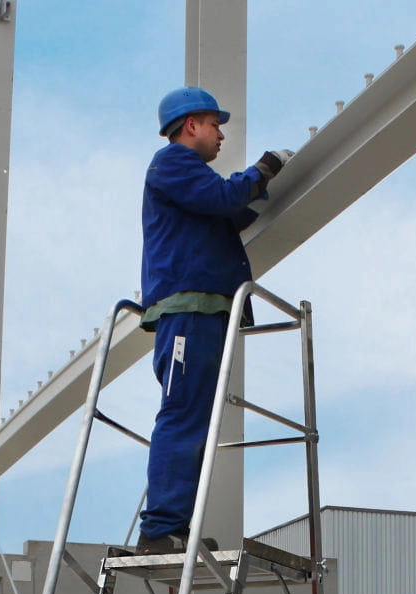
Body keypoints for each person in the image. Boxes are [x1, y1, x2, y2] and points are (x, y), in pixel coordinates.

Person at [135, 87, 293, 555]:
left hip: (204, 311)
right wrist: (265, 168)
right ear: (190, 126)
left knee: (195, 420)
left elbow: (228, 211)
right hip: (188, 310)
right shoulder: (172, 163)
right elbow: (225, 198)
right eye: (213, 125)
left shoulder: (191, 183)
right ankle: (160, 527)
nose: (220, 135)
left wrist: (255, 193)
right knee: (183, 414)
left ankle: (173, 526)